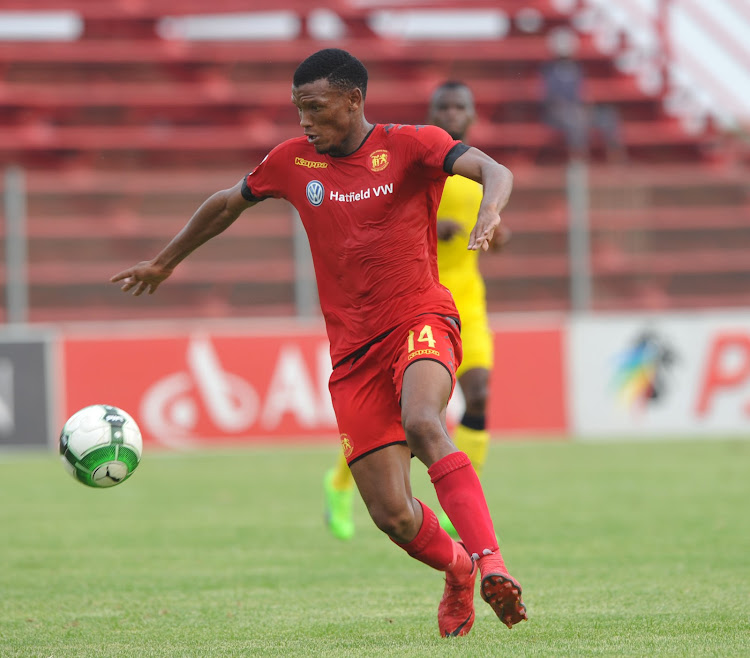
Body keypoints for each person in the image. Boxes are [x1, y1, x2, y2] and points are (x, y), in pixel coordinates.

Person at [111, 48, 527, 638]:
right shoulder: (291, 162)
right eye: (297, 107)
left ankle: (491, 562)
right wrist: (163, 262)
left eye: (314, 106)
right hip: (352, 352)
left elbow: (497, 171)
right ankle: (458, 570)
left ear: (353, 100)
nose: (304, 119)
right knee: (392, 516)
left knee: (423, 420)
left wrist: (489, 210)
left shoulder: (412, 143)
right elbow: (226, 204)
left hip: (418, 316)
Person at [324, 80, 510, 542]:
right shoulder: (415, 159)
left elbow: (496, 228)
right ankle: (338, 483)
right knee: (410, 420)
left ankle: (461, 503)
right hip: (410, 301)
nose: (450, 113)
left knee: (480, 394)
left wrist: (493, 230)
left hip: (466, 296)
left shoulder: (476, 170)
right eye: (442, 106)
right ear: (431, 113)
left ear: (471, 115)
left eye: (459, 106)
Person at [541, 27, 626, 163]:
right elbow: (551, 99)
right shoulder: (549, 70)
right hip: (560, 115)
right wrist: (571, 110)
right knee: (575, 123)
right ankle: (579, 166)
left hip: (578, 111)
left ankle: (616, 161)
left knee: (608, 116)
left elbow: (583, 94)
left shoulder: (577, 68)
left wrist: (586, 108)